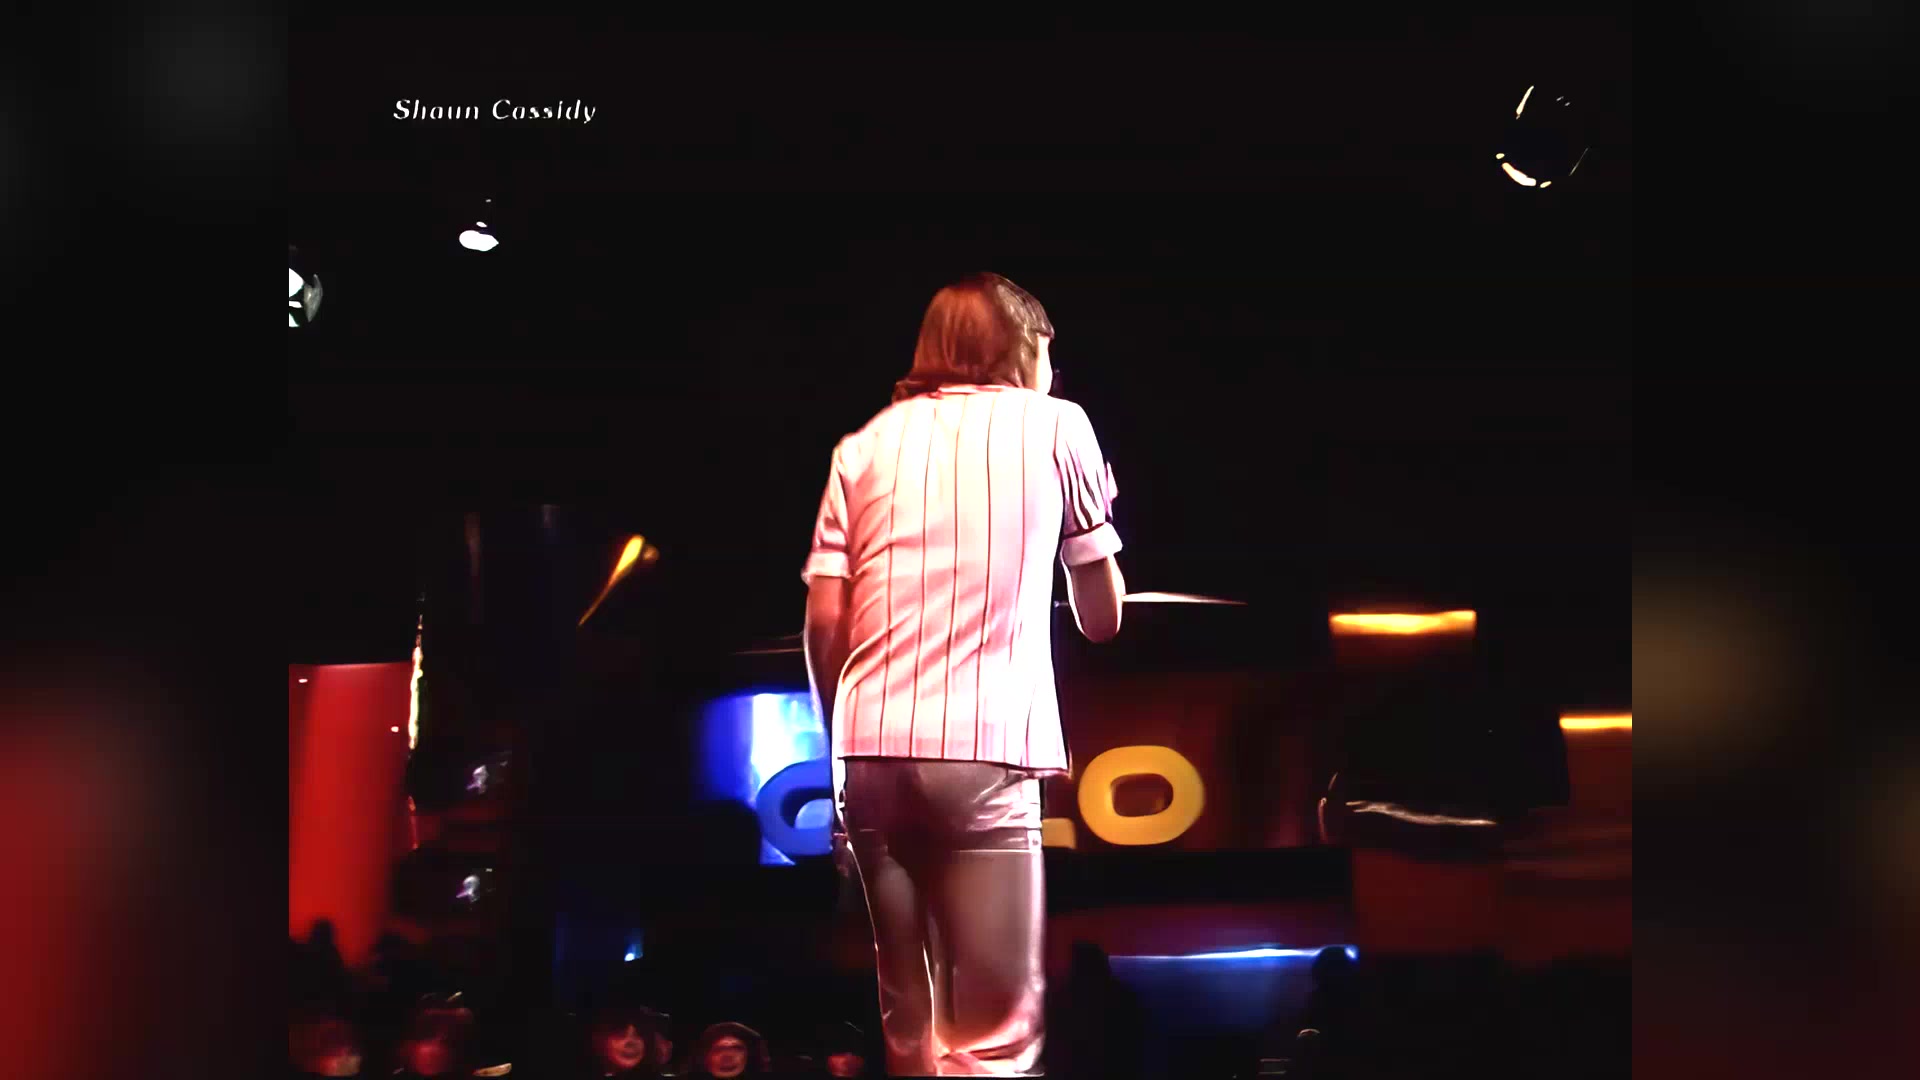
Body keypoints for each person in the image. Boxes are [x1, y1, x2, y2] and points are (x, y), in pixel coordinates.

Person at [801, 272, 1127, 1076]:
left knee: (908, 1019)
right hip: (985, 745)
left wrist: (838, 757)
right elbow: (1102, 618)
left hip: (867, 751)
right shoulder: (1057, 424)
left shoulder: (863, 446)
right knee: (992, 1033)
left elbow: (823, 625)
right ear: (1022, 348)